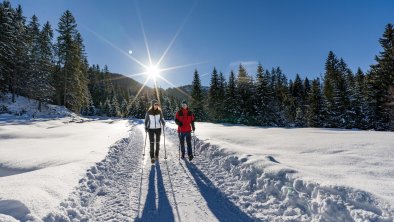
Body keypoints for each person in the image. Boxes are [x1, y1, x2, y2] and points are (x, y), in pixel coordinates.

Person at [145, 99, 165, 164]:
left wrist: (163, 122)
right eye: (155, 104)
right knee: (151, 143)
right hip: (150, 129)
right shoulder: (149, 112)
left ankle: (156, 155)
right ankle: (152, 157)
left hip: (158, 128)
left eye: (157, 104)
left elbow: (162, 118)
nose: (156, 105)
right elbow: (146, 120)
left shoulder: (159, 111)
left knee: (157, 142)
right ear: (152, 105)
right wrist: (146, 127)